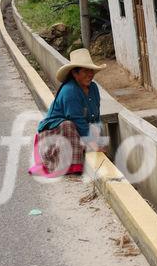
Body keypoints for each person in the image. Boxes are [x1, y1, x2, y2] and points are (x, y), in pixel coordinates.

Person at [29, 48, 106, 177]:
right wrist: (93, 144)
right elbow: (77, 120)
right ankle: (63, 163)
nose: (90, 74)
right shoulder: (70, 90)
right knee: (68, 125)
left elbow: (95, 117)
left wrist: (99, 141)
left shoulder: (93, 88)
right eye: (85, 71)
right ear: (75, 74)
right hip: (55, 135)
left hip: (77, 134)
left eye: (91, 71)